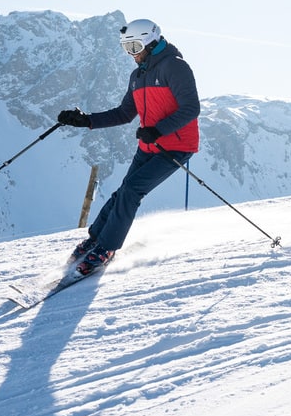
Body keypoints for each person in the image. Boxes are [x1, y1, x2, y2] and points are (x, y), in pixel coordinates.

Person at [55, 18, 200, 275]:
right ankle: (95, 238)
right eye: (126, 48)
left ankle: (107, 248)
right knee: (123, 190)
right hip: (149, 145)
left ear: (151, 42)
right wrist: (85, 121)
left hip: (175, 147)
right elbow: (124, 113)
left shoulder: (175, 67)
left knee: (132, 190)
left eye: (134, 47)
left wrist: (158, 129)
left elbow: (191, 108)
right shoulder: (138, 76)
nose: (131, 54)